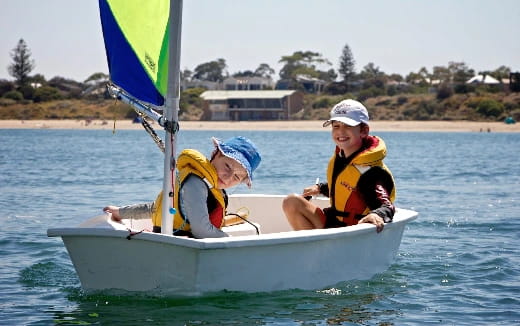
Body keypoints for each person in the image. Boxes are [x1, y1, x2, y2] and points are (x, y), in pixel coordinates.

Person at [104, 136, 261, 238]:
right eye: (227, 166)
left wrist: (121, 212)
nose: (228, 177)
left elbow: (157, 208)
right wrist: (231, 241)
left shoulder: (207, 183)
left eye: (237, 177)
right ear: (216, 154)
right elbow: (201, 231)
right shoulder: (196, 183)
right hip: (179, 247)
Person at [282, 99, 395, 233]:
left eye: (347, 126)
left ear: (364, 131)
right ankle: (311, 249)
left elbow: (387, 206)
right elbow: (346, 186)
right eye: (336, 126)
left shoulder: (371, 172)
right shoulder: (342, 157)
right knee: (291, 202)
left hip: (354, 232)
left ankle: (315, 250)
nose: (340, 132)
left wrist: (377, 215)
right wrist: (320, 188)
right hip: (334, 222)